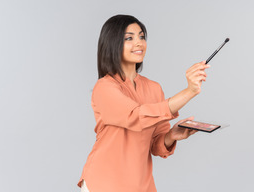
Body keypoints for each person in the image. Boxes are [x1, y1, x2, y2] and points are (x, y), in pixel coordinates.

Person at [77, 14, 210, 192]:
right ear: (112, 44)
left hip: (141, 185)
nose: (139, 43)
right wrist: (189, 91)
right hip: (104, 182)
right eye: (129, 38)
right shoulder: (104, 87)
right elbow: (136, 116)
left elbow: (155, 144)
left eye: (141, 36)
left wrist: (172, 135)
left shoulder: (154, 88)